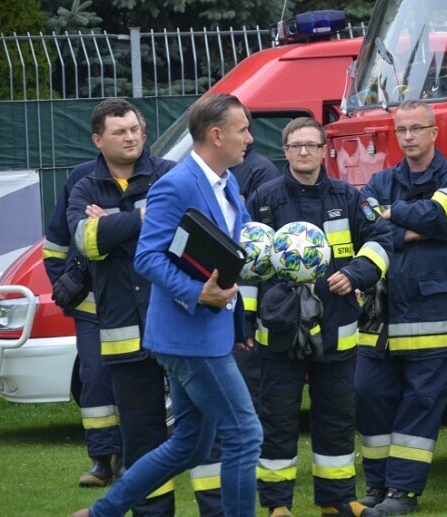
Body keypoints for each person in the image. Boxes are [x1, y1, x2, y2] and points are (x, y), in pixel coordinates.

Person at [72, 93, 263, 517]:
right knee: (245, 434)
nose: (249, 138)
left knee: (188, 443)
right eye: (243, 129)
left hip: (208, 332)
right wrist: (198, 294)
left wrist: (281, 256)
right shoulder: (174, 186)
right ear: (216, 135)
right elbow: (148, 258)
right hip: (188, 337)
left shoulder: (226, 179)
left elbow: (240, 240)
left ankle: (100, 513)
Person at [246, 117, 392, 517]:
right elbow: (247, 263)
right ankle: (277, 505)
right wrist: (244, 317)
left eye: (311, 145)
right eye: (296, 146)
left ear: (324, 149)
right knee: (277, 419)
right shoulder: (263, 198)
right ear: (286, 151)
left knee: (337, 418)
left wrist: (356, 273)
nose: (304, 152)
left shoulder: (349, 197)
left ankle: (337, 500)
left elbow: (382, 240)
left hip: (336, 330)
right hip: (280, 330)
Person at [355, 100, 447, 515]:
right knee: (369, 394)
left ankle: (402, 492)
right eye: (401, 130)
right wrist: (413, 228)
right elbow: (367, 226)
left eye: (416, 129)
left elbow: (444, 219)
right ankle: (376, 485)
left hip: (432, 315)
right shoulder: (379, 181)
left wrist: (396, 215)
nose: (408, 137)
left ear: (434, 132)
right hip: (382, 316)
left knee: (420, 403)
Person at [43, 162, 123, 488]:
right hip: (92, 306)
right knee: (95, 379)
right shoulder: (82, 178)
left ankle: (132, 459)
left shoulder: (155, 175)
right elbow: (56, 243)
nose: (128, 138)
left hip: (138, 302)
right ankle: (102, 462)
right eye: (118, 132)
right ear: (98, 138)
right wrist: (64, 282)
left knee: (138, 379)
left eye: (133, 130)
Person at [233, 106, 281, 413]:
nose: (248, 136)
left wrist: (247, 322)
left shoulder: (259, 171)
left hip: (248, 294)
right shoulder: (218, 172)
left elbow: (260, 256)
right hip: (221, 290)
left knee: (249, 378)